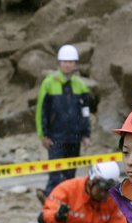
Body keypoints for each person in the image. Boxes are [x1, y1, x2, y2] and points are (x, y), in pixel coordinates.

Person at [36, 161, 128, 223]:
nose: (104, 194)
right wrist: (57, 216)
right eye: (101, 189)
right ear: (91, 181)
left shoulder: (111, 199)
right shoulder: (67, 190)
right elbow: (42, 219)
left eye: (108, 190)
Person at [35, 44, 92, 199]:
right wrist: (43, 135)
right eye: (64, 61)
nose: (67, 64)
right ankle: (49, 203)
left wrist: (86, 134)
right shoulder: (49, 83)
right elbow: (41, 111)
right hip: (55, 137)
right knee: (54, 173)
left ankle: (68, 204)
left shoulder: (80, 85)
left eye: (71, 62)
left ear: (75, 64)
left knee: (70, 175)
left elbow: (85, 112)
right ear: (59, 63)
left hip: (74, 137)